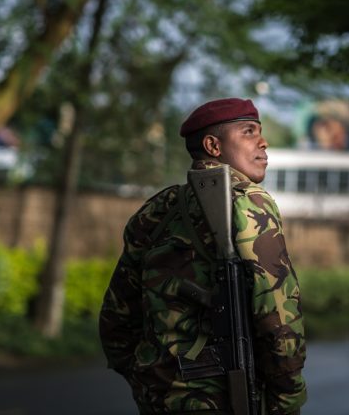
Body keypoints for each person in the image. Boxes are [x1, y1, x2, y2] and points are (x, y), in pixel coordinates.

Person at [99, 97, 307, 415]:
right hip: (222, 395)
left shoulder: (158, 209)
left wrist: (148, 373)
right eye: (249, 132)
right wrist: (289, 393)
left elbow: (117, 314)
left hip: (157, 395)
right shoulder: (250, 202)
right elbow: (277, 311)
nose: (264, 142)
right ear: (213, 145)